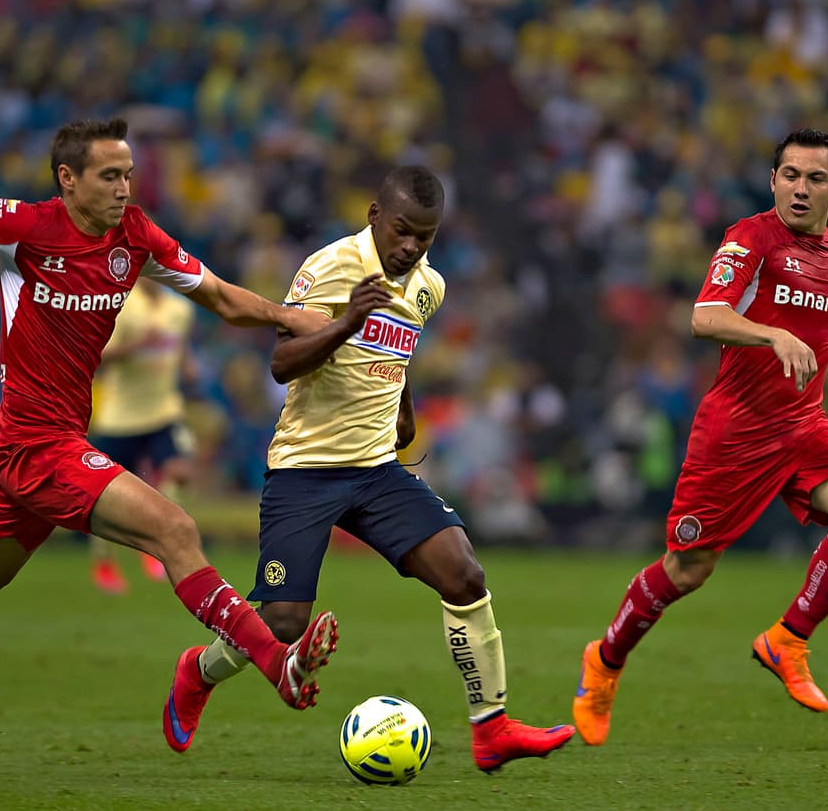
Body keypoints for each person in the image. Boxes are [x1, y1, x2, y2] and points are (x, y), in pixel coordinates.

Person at [0, 118, 340, 739]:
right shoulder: (26, 228)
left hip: (53, 443)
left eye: (128, 175)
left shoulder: (135, 237)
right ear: (68, 179)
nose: (123, 188)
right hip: (32, 442)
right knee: (174, 528)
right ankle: (277, 664)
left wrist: (289, 316)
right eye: (109, 176)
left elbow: (219, 296)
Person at [161, 166, 576, 772]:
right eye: (402, 231)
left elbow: (399, 349)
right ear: (375, 216)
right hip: (304, 469)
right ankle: (198, 671)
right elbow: (281, 363)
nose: (411, 247)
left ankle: (492, 728)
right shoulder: (329, 268)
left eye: (425, 237)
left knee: (465, 575)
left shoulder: (428, 286)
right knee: (282, 622)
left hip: (376, 470)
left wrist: (403, 408)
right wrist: (345, 323)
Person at [571, 129, 828, 746]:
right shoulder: (750, 238)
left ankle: (787, 640)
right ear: (772, 181)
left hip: (803, 423)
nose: (801, 188)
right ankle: (605, 661)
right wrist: (774, 335)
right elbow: (704, 317)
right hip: (736, 430)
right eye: (790, 175)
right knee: (688, 569)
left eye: (815, 178)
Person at [88, 280, 197, 593]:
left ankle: (155, 544)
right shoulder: (121, 305)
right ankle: (104, 562)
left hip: (163, 411)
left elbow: (180, 346)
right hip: (121, 418)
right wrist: (137, 346)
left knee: (179, 473)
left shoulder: (180, 308)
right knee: (102, 494)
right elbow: (99, 357)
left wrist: (188, 366)